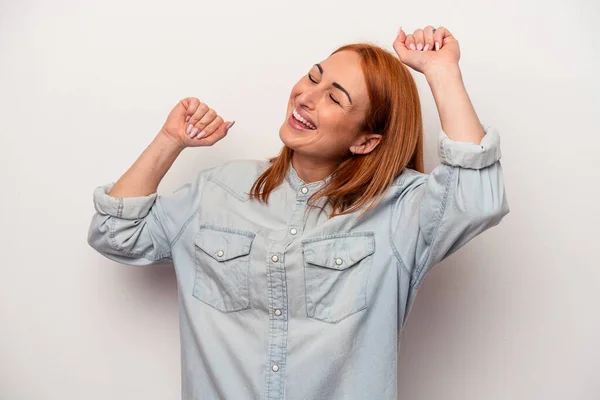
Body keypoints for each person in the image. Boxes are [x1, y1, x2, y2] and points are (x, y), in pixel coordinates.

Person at [87, 25, 509, 400]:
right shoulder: (217, 190)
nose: (305, 97)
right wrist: (169, 140)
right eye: (313, 76)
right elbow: (115, 233)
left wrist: (441, 73)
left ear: (365, 141)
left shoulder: (398, 211)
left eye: (334, 98)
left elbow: (476, 197)